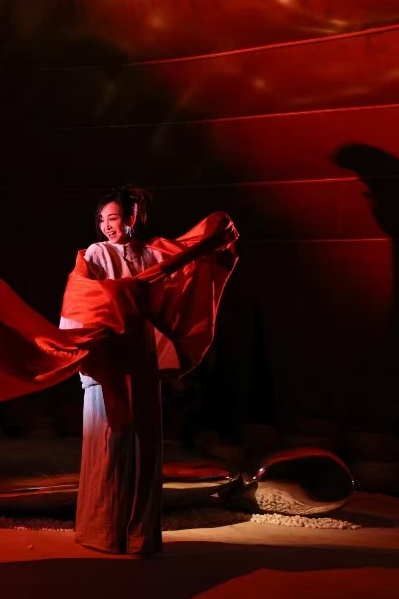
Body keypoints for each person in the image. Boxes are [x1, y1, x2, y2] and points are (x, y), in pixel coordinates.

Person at [59, 186, 237, 555]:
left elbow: (187, 269)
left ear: (132, 217)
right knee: (110, 439)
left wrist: (208, 247)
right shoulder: (97, 253)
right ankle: (104, 531)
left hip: (141, 353)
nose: (108, 226)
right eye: (102, 220)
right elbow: (82, 298)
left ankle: (140, 535)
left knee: (144, 444)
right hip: (109, 351)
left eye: (114, 218)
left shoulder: (153, 254)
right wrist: (85, 341)